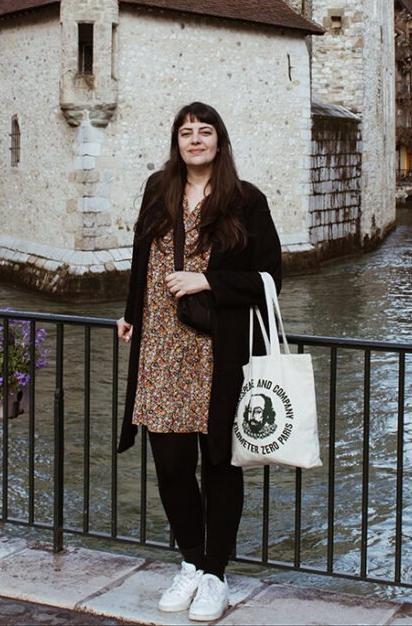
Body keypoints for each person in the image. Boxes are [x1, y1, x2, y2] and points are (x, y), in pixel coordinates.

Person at [117, 101, 281, 621]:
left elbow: (271, 277)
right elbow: (143, 261)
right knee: (170, 466)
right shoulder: (157, 189)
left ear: (219, 141)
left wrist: (207, 280)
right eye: (186, 132)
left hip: (218, 350)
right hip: (161, 348)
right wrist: (131, 313)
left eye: (204, 131)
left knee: (219, 466)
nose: (195, 139)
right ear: (177, 142)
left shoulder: (246, 200)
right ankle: (189, 560)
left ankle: (215, 575)